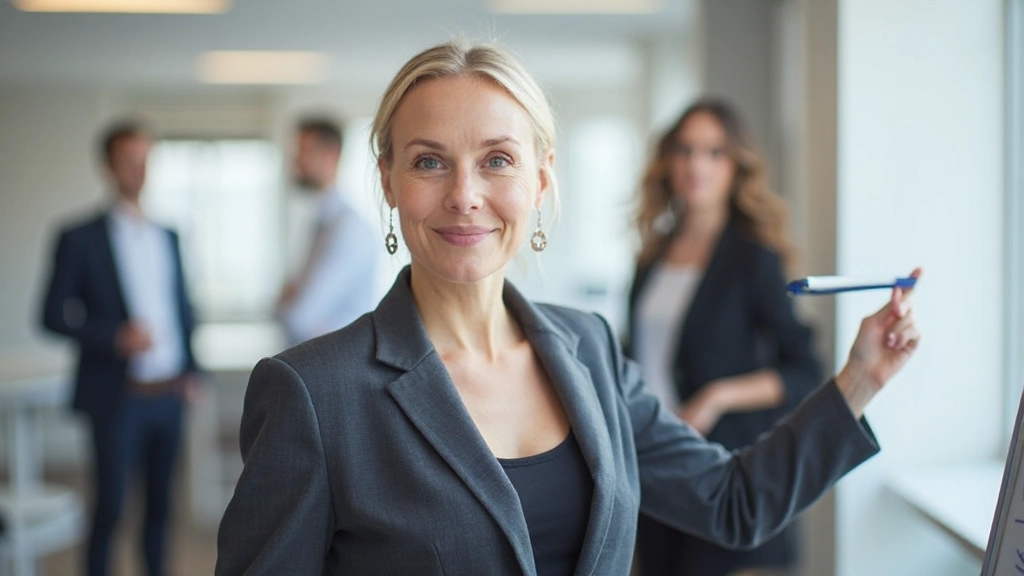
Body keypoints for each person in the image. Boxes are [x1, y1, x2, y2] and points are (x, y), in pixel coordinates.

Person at [214, 40, 922, 576]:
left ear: (542, 178)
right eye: (430, 161)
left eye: (497, 159)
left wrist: (860, 378)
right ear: (389, 181)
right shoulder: (314, 392)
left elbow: (730, 503)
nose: (465, 193)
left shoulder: (587, 350)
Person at [628, 99, 821, 576]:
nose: (697, 164)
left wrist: (716, 397)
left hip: (724, 471)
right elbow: (635, 356)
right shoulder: (651, 257)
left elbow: (804, 370)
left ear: (736, 167)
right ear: (669, 162)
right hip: (654, 469)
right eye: (686, 150)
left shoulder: (754, 258)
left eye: (714, 152)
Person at [40, 119, 200, 576]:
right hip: (117, 395)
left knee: (161, 511)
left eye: (146, 160)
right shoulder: (78, 237)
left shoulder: (167, 235)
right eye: (130, 161)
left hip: (169, 394)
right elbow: (51, 315)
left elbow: (183, 309)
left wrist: (193, 368)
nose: (140, 170)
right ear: (108, 167)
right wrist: (113, 336)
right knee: (110, 508)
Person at [274, 116, 380, 345]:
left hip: (336, 364)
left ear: (331, 155)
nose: (295, 162)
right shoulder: (318, 222)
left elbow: (298, 317)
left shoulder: (348, 230)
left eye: (303, 151)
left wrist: (287, 304)